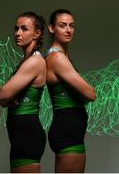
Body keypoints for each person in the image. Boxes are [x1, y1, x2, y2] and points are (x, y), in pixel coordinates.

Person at [45, 9, 96, 173]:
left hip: (70, 130)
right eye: (62, 25)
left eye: (71, 26)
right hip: (68, 131)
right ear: (51, 28)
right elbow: (90, 94)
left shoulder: (63, 57)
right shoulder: (57, 58)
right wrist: (84, 92)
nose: (68, 30)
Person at [0, 12, 46, 173]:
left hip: (27, 134)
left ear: (37, 34)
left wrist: (7, 95)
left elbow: (3, 95)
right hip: (20, 134)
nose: (17, 33)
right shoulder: (25, 61)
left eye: (24, 29)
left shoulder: (35, 61)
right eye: (16, 29)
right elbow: (4, 98)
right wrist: (7, 96)